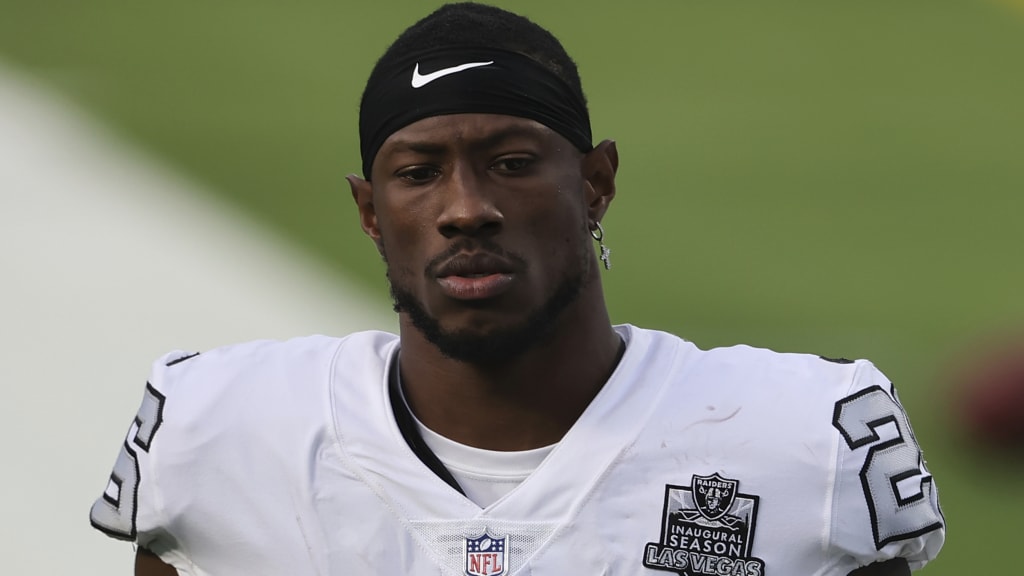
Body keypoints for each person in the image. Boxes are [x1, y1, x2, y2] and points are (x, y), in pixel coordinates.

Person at [90, 3, 945, 575]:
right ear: (369, 211)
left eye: (511, 163)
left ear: (597, 180)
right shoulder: (216, 428)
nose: (467, 209)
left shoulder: (807, 439)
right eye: (418, 172)